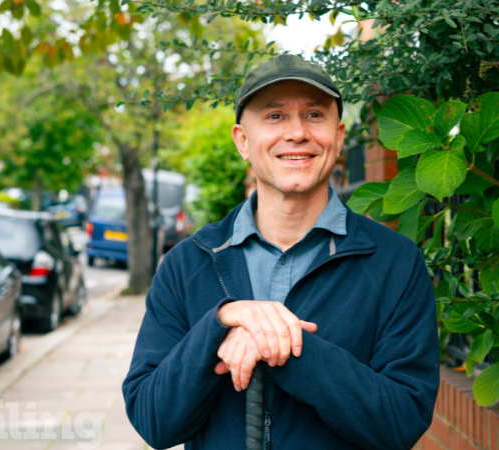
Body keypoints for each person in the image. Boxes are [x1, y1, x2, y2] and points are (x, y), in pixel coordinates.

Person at [122, 54, 439, 450]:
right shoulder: (188, 263)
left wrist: (284, 346)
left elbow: (401, 422)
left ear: (338, 137)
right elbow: (154, 422)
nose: (296, 133)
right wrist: (220, 322)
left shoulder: (394, 262)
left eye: (313, 115)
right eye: (274, 116)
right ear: (242, 141)